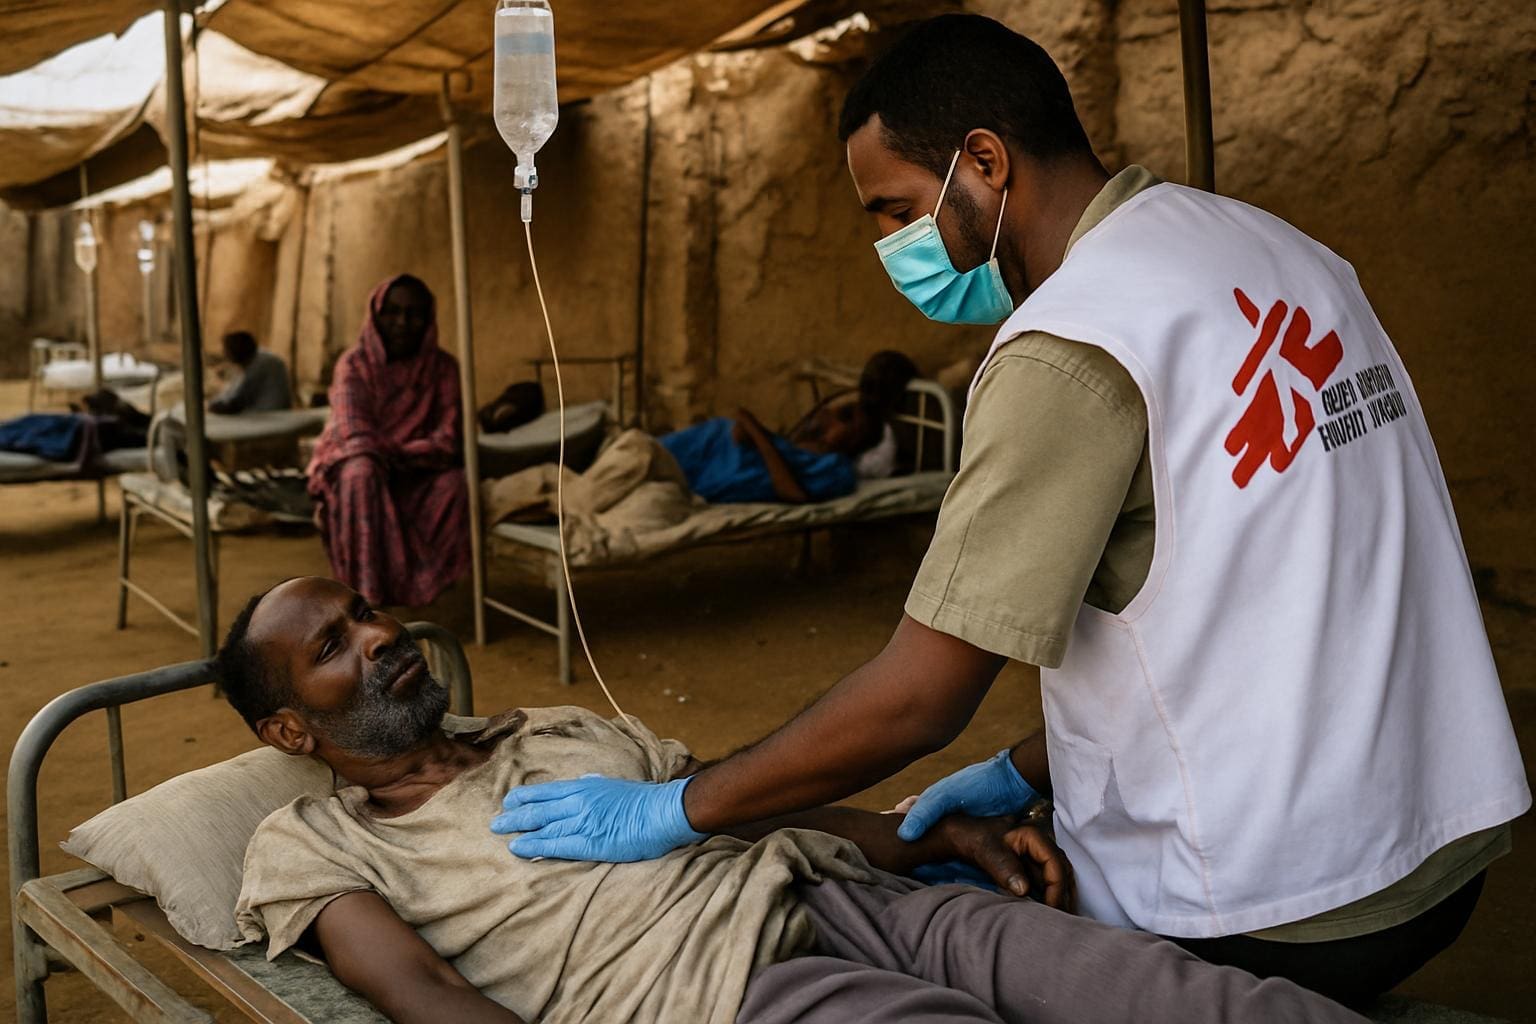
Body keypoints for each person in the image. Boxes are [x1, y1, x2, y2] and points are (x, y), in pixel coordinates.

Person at [496, 14, 1530, 1008]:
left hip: (1280, 903)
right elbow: (1252, 604)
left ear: (984, 162)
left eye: (896, 211)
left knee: (888, 930)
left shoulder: (1073, 341)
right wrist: (1024, 766)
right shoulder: (1279, 252)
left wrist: (677, 805)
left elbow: (918, 699)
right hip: (1448, 839)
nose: (894, 248)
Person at [220, 576, 1362, 1024]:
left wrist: (923, 835)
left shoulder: (558, 726)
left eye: (367, 611)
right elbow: (415, 991)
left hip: (857, 898)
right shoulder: (315, 843)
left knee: (1179, 995)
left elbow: (727, 804)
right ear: (288, 729)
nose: (380, 635)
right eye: (335, 644)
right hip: (727, 994)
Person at [306, 274, 470, 607]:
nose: (403, 323)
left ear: (428, 319)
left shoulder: (443, 368)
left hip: (416, 470)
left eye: (414, 314)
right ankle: (365, 597)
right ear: (376, 315)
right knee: (361, 473)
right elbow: (354, 431)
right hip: (361, 463)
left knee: (456, 483)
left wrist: (398, 453)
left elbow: (448, 439)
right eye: (392, 312)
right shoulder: (354, 365)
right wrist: (391, 454)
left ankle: (417, 588)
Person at [660, 350, 918, 504]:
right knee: (641, 452)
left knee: (640, 460)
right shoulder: (800, 446)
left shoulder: (836, 469)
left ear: (857, 439)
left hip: (714, 465)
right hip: (711, 445)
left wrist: (754, 430)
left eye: (846, 416)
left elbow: (794, 495)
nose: (831, 414)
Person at [209, 330, 292, 414]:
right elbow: (229, 394)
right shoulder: (250, 362)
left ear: (238, 349)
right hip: (263, 413)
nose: (224, 353)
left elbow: (237, 402)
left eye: (227, 349)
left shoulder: (261, 364)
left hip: (271, 415)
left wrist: (215, 407)